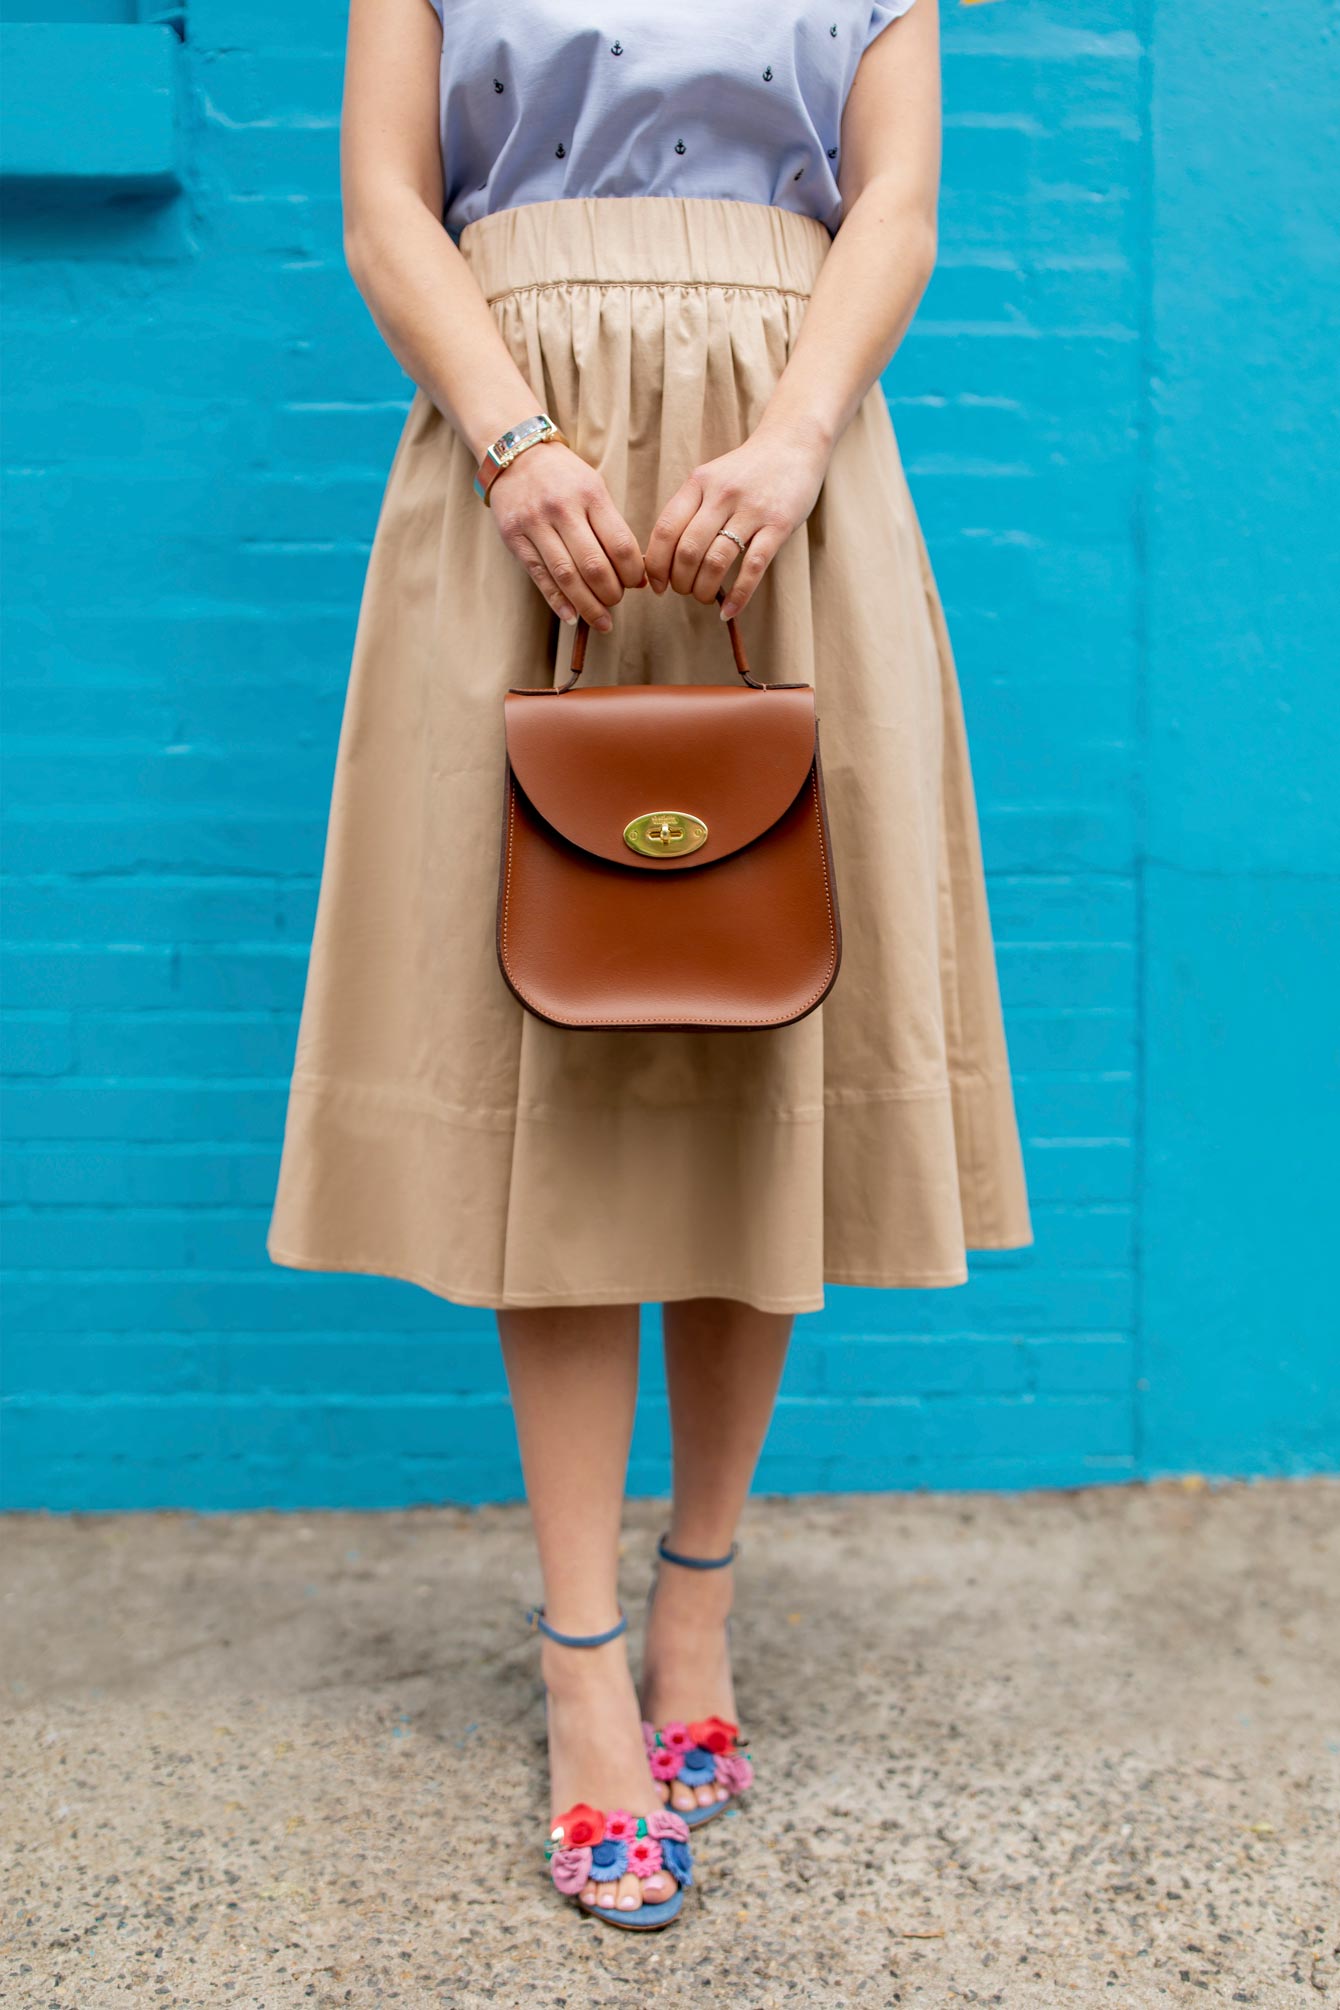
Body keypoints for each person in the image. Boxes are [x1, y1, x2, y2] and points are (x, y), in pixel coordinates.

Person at [266, 0, 1032, 1932]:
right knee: (561, 1058)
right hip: (527, 478)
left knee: (764, 1034)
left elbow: (898, 207)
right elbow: (384, 202)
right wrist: (511, 439)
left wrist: (792, 439)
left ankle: (699, 1601)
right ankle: (582, 1665)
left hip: (790, 480)